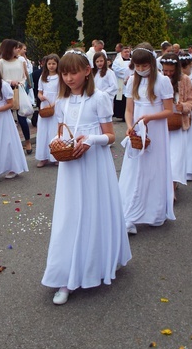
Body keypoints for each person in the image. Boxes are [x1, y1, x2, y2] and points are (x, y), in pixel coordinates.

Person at [42, 50, 131, 305]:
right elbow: (61, 132)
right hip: (70, 166)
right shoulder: (61, 102)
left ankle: (100, 262)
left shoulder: (99, 98)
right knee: (69, 215)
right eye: (64, 73)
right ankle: (64, 275)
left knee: (94, 211)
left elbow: (111, 136)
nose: (69, 78)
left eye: (73, 72)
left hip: (94, 163)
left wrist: (92, 139)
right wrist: (57, 141)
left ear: (87, 71)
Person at [119, 46, 175, 233]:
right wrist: (129, 126)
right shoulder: (132, 82)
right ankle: (129, 213)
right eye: (137, 65)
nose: (141, 69)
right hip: (137, 130)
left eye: (144, 65)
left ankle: (154, 212)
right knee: (134, 170)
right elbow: (129, 110)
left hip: (155, 130)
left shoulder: (162, 81)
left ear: (151, 63)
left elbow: (169, 110)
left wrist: (150, 118)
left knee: (153, 169)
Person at [160, 53, 192, 196]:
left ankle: (171, 190)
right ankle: (165, 187)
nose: (168, 74)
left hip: (178, 124)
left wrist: (184, 107)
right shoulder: (158, 80)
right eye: (165, 71)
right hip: (162, 124)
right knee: (163, 158)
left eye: (171, 71)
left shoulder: (185, 80)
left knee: (175, 158)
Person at [0, 39, 31, 154]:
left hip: (19, 90)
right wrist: (10, 81)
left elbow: (24, 76)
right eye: (16, 48)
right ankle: (13, 143)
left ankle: (27, 141)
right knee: (9, 119)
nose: (18, 50)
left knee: (22, 118)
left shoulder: (20, 61)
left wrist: (21, 82)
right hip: (7, 91)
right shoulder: (1, 62)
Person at [35, 54, 60, 167]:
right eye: (49, 64)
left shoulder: (60, 77)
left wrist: (53, 105)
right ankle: (43, 156)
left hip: (55, 105)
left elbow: (61, 94)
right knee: (43, 131)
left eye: (53, 64)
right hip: (45, 105)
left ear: (57, 64)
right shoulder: (43, 77)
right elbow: (39, 91)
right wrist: (40, 96)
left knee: (54, 131)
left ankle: (55, 156)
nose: (51, 66)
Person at [111, 44, 132, 120]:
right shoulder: (117, 61)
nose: (127, 53)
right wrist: (127, 73)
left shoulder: (132, 61)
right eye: (125, 52)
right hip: (121, 83)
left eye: (128, 52)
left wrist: (130, 75)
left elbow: (134, 70)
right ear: (121, 52)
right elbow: (117, 70)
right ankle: (121, 115)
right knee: (121, 98)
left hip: (130, 82)